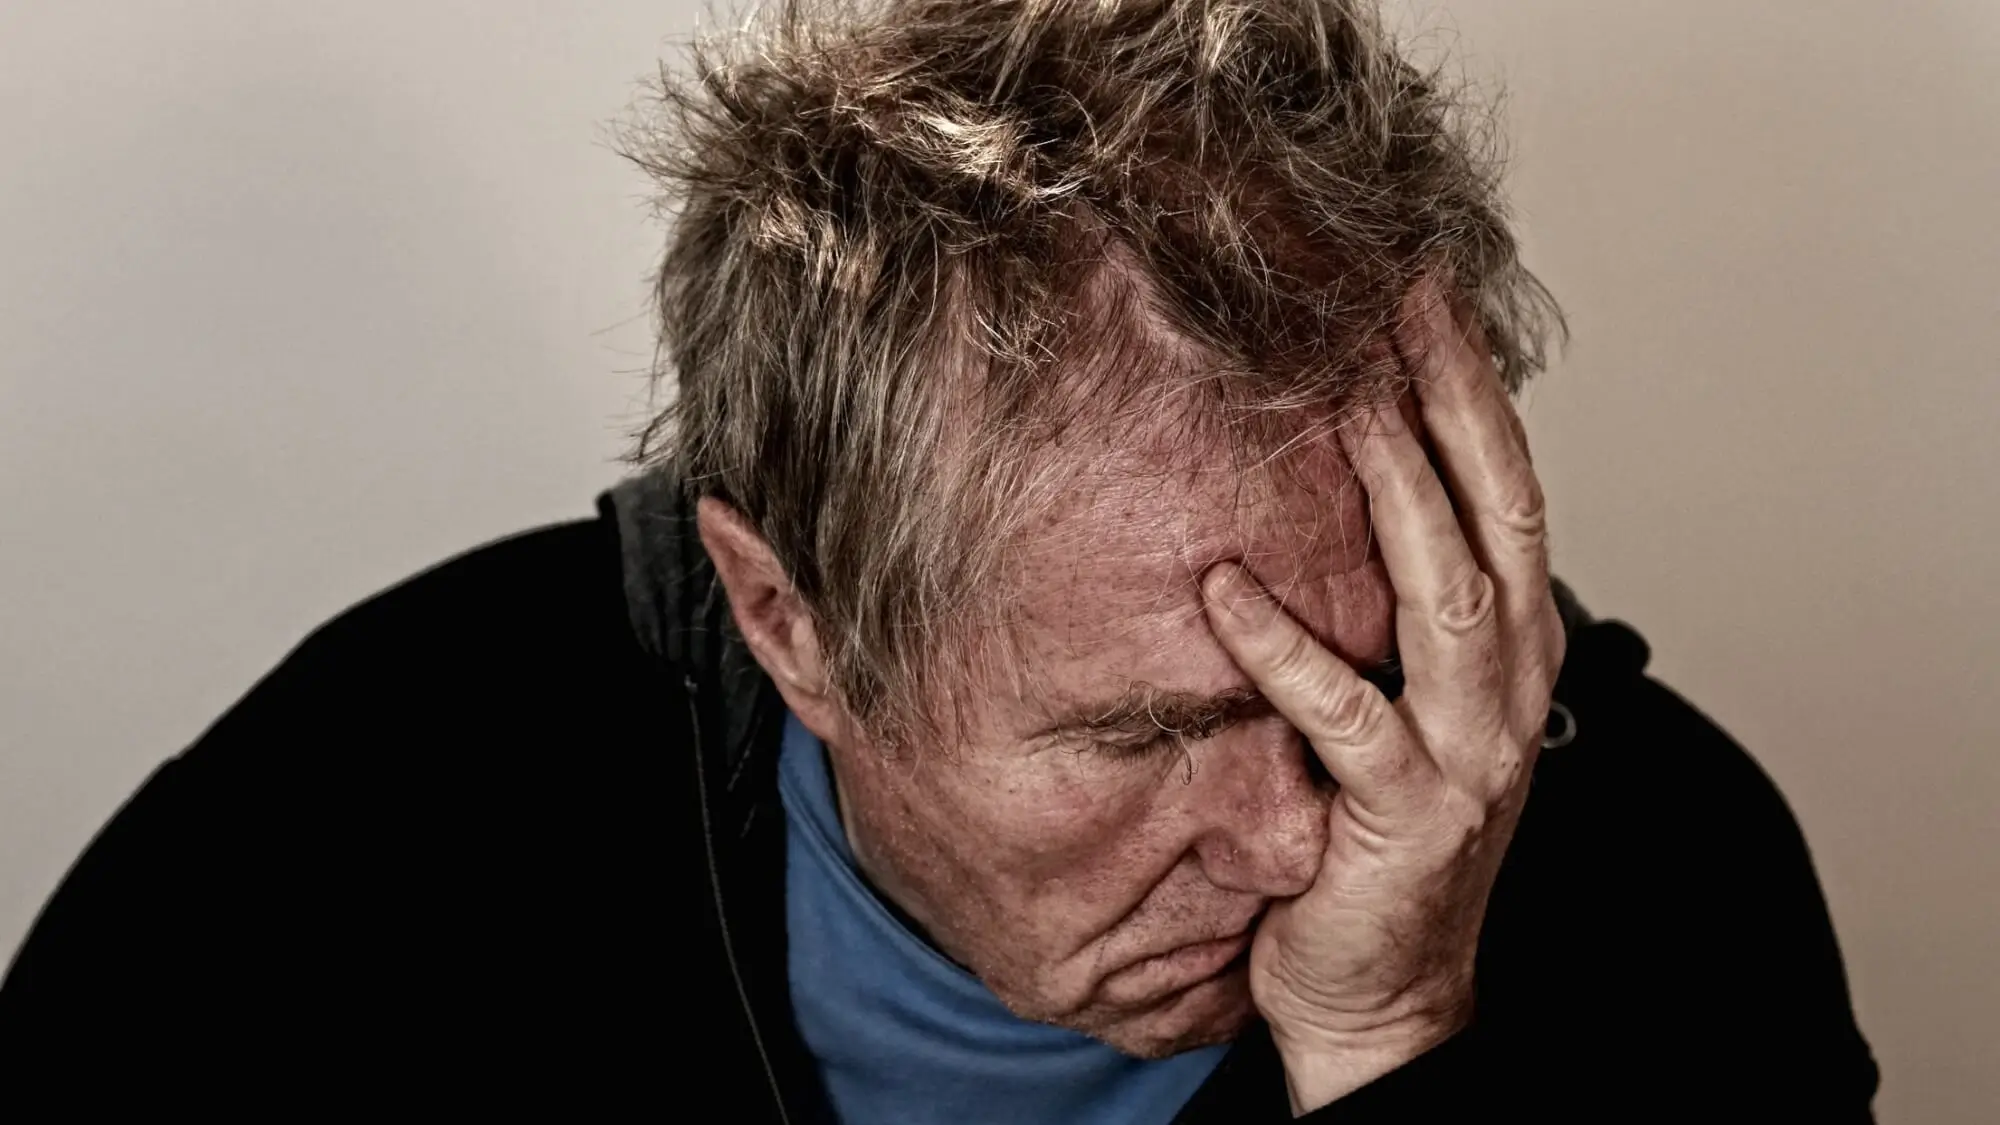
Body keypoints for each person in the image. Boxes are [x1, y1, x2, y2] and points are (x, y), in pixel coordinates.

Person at [0, 0, 1877, 1119]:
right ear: (787, 620)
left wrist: (1398, 1049)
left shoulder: (1667, 877)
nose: (1312, 840)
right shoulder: (348, 843)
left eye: (1366, 683)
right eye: (1148, 732)